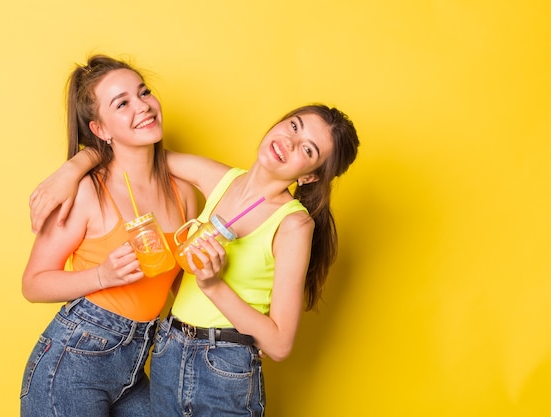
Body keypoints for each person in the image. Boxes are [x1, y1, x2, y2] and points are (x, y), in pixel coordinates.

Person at [29, 103, 360, 416]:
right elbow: (134, 152)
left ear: (311, 176)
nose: (289, 141)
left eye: (307, 149)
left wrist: (213, 285)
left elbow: (279, 344)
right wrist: (72, 168)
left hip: (224, 366)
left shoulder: (294, 224)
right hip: (167, 350)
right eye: (293, 125)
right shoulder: (219, 178)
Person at [20, 55, 197, 417]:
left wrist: (233, 332)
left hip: (137, 360)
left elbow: (184, 285)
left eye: (143, 92)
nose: (143, 106)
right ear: (101, 129)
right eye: (123, 103)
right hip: (73, 362)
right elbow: (33, 284)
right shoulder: (87, 192)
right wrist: (103, 276)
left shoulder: (184, 192)